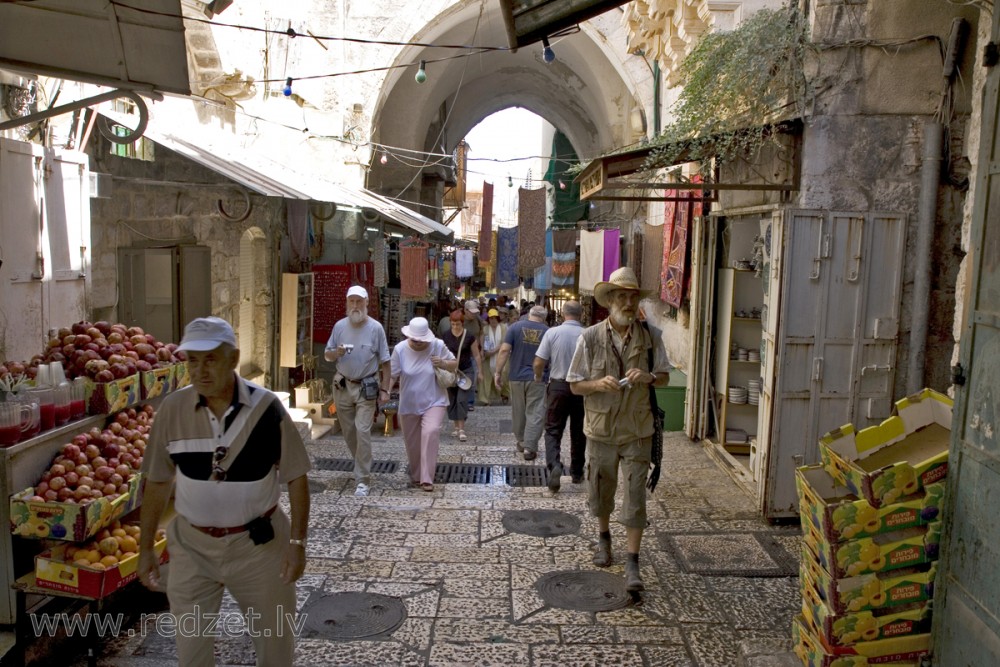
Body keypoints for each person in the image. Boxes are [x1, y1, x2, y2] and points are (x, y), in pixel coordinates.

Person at [138, 316, 311, 666]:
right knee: (191, 655)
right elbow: (156, 481)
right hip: (192, 546)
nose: (200, 371)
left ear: (233, 359)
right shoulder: (172, 409)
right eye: (193, 361)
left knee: (275, 648)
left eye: (210, 359)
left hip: (259, 547)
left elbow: (296, 477)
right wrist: (145, 550)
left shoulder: (266, 408)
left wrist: (297, 543)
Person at [568, 267, 671, 592]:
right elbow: (574, 385)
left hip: (638, 430)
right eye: (622, 297)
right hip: (600, 430)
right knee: (601, 489)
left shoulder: (651, 337)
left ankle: (632, 561)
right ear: (610, 300)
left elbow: (664, 376)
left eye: (633, 297)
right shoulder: (589, 338)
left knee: (636, 495)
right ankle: (604, 539)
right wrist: (597, 383)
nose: (628, 303)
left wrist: (649, 377)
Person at [323, 285, 391, 497]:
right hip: (342, 386)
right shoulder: (339, 326)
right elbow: (327, 355)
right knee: (349, 432)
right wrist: (337, 353)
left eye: (359, 301)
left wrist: (385, 389)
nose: (355, 305)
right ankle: (361, 462)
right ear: (347, 303)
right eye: (351, 301)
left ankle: (363, 479)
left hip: (366, 387)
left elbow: (386, 362)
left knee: (362, 430)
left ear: (366, 302)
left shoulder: (376, 328)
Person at [388, 317, 456, 491]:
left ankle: (427, 478)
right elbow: (392, 374)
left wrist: (442, 363)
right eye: (414, 339)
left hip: (435, 399)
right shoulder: (400, 349)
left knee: (430, 432)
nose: (418, 342)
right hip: (409, 402)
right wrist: (385, 392)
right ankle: (417, 475)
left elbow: (454, 363)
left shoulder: (437, 345)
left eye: (421, 339)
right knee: (412, 443)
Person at [533, 300, 586, 492]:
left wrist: (538, 376)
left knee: (553, 430)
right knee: (579, 430)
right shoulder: (587, 334)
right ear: (581, 314)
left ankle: (554, 465)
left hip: (558, 386)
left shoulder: (552, 333)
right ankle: (577, 472)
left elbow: (539, 362)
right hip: (581, 387)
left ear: (563, 313)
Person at [494, 305, 548, 460]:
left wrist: (498, 372)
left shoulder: (515, 327)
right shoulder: (547, 331)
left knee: (518, 410)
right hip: (538, 377)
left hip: (516, 376)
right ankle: (529, 447)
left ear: (529, 314)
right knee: (535, 412)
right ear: (544, 317)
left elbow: (504, 350)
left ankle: (521, 440)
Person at [441, 309, 482, 442]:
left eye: (457, 324)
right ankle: (456, 427)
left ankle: (462, 428)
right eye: (453, 324)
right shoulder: (446, 336)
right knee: (452, 399)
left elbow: (476, 354)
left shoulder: (469, 336)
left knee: (462, 399)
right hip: (451, 371)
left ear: (462, 323)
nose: (455, 326)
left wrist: (480, 372)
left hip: (466, 371)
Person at [479, 308, 508, 406]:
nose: (493, 320)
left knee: (503, 377)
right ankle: (486, 399)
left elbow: (504, 342)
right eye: (491, 318)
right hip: (488, 357)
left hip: (501, 356)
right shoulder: (485, 329)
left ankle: (505, 395)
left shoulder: (503, 328)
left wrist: (493, 351)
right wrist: (483, 351)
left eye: (495, 318)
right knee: (486, 378)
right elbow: (482, 341)